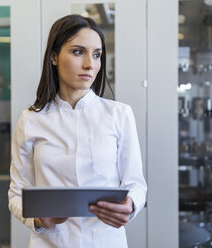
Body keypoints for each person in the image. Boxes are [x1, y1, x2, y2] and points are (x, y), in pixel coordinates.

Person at [8, 14, 147, 248]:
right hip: (50, 242)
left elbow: (136, 184)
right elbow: (16, 194)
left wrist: (131, 204)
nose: (89, 64)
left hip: (105, 241)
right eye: (77, 52)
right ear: (54, 57)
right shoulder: (31, 119)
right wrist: (39, 218)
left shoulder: (119, 114)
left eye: (96, 55)